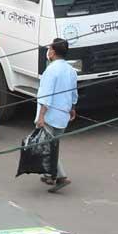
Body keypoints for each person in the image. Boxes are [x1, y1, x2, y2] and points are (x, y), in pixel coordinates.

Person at [34, 37, 77, 190]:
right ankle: (50, 176)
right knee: (53, 145)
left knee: (47, 146)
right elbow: (73, 92)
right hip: (63, 115)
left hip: (50, 115)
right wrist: (72, 108)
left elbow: (46, 95)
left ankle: (60, 176)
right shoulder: (71, 70)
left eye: (49, 49)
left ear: (52, 52)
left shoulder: (51, 70)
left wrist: (41, 116)